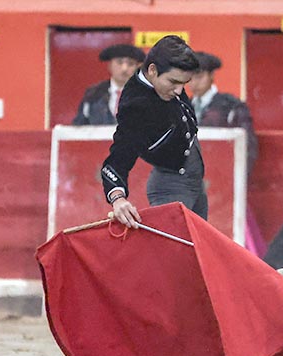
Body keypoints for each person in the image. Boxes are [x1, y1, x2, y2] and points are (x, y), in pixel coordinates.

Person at [101, 35, 204, 230]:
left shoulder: (166, 80)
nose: (179, 90)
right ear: (152, 70)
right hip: (172, 188)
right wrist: (118, 199)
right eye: (174, 82)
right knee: (174, 256)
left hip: (194, 183)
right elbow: (118, 158)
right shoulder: (136, 107)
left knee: (196, 252)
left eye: (184, 83)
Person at [188, 51, 258, 175]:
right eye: (190, 77)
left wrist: (236, 179)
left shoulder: (232, 107)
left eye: (199, 77)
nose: (193, 83)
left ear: (212, 76)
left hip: (221, 173)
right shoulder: (181, 106)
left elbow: (248, 146)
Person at [72, 44, 145, 125]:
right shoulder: (93, 94)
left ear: (137, 68)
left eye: (130, 64)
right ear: (110, 66)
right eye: (119, 62)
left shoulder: (144, 95)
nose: (124, 69)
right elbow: (79, 127)